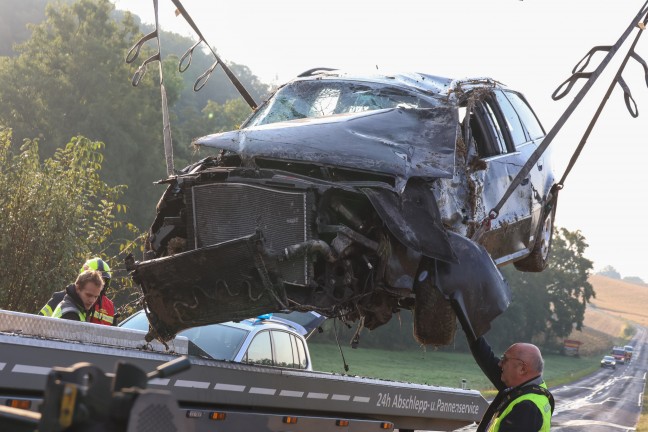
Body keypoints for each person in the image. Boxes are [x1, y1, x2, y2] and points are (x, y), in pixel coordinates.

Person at [468, 336, 555, 431]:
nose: (500, 364)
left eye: (504, 359)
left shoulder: (526, 409)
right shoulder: (530, 389)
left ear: (522, 369)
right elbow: (488, 361)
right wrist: (472, 332)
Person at [39, 257, 117, 325]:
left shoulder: (110, 308)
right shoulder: (63, 300)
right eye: (88, 295)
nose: (92, 300)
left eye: (102, 281)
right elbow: (38, 322)